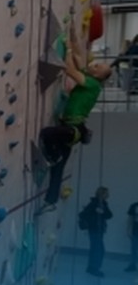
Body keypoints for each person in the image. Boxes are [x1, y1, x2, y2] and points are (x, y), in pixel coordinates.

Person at [39, 23, 112, 211]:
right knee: (58, 170)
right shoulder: (91, 78)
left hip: (73, 129)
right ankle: (50, 201)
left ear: (99, 74)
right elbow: (80, 57)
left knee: (47, 134)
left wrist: (68, 49)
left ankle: (53, 157)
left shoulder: (92, 84)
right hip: (71, 129)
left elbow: (70, 70)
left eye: (97, 66)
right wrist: (73, 35)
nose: (94, 64)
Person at [79, 187, 113, 277]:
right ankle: (94, 268)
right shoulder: (94, 203)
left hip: (99, 229)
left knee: (96, 249)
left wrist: (102, 212)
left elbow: (109, 215)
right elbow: (83, 214)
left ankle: (91, 267)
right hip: (95, 229)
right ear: (102, 194)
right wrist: (95, 214)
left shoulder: (103, 204)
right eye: (106, 193)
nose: (108, 195)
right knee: (98, 250)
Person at [126, 201, 137, 273]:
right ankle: (132, 265)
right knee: (134, 249)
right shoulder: (134, 206)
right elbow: (130, 218)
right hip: (136, 231)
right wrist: (128, 229)